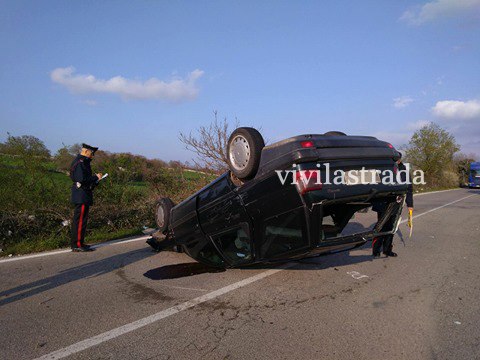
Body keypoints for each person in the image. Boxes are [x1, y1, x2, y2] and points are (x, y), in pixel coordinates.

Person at [372, 152, 413, 257]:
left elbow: (408, 188)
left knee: (391, 227)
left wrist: (410, 204)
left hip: (396, 203)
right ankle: (376, 250)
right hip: (383, 202)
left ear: (399, 160)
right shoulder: (382, 168)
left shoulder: (403, 170)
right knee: (381, 226)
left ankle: (387, 249)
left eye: (397, 159)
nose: (395, 161)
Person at [70, 144, 102, 252]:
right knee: (79, 221)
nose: (92, 156)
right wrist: (95, 177)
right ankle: (77, 244)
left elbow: (85, 179)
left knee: (82, 220)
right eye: (92, 153)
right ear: (86, 151)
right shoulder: (80, 163)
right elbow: (82, 179)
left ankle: (80, 242)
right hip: (81, 195)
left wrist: (95, 181)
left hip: (83, 194)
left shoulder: (83, 162)